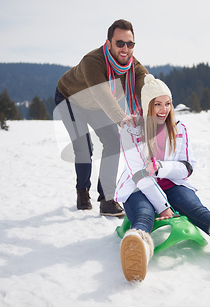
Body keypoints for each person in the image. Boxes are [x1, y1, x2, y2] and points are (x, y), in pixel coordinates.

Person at [114, 74, 210, 282]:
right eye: (157, 104)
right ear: (147, 106)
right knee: (144, 214)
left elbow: (186, 168)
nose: (163, 109)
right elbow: (140, 176)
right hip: (139, 187)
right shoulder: (131, 132)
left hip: (171, 184)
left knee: (195, 209)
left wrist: (160, 168)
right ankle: (137, 252)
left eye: (167, 103)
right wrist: (164, 207)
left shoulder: (179, 128)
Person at [55, 19, 148, 216]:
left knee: (113, 141)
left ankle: (107, 199)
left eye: (129, 44)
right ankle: (82, 192)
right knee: (83, 149)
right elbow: (102, 94)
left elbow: (147, 89)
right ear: (108, 43)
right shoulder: (93, 61)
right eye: (119, 43)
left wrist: (158, 112)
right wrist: (121, 118)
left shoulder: (133, 67)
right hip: (71, 99)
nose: (125, 48)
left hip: (96, 107)